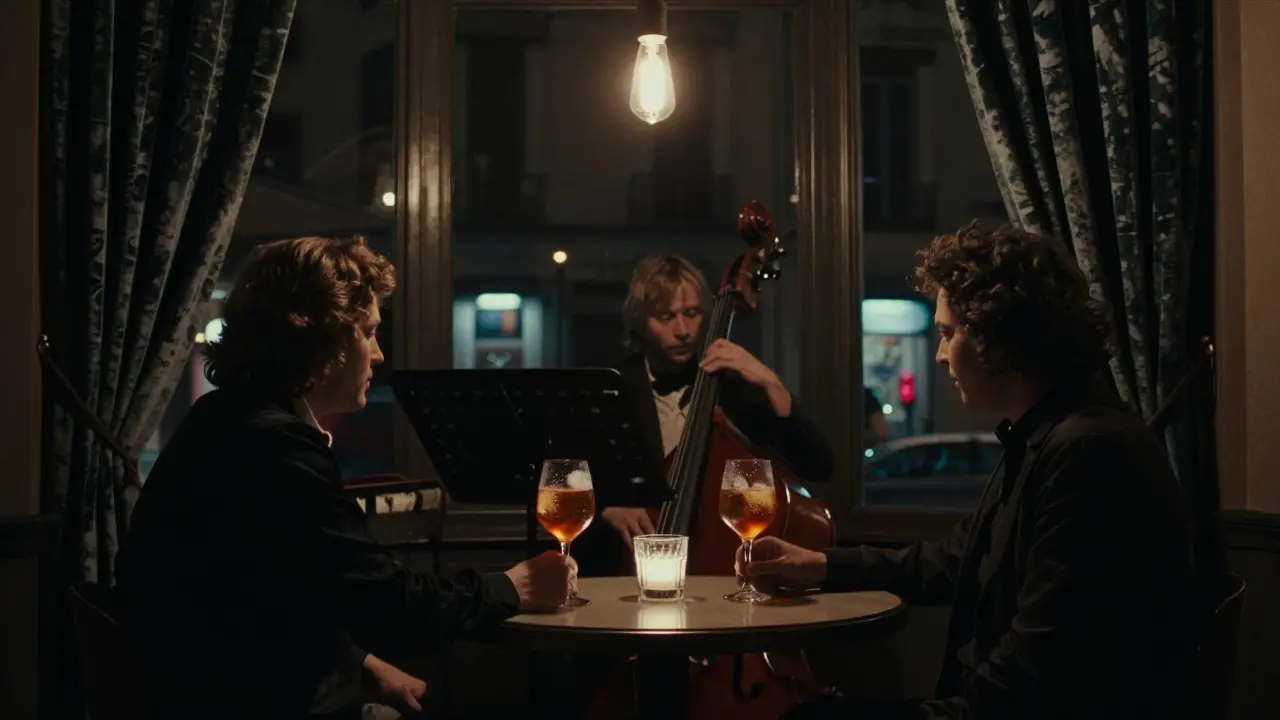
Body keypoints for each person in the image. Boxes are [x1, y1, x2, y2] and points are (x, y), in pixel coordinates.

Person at [738, 223, 1197, 719]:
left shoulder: (1089, 451)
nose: (939, 355)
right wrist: (820, 565)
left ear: (997, 338)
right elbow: (956, 560)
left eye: (947, 333)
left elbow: (1035, 668)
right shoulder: (1046, 433)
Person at [116, 236, 575, 720]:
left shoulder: (223, 417)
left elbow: (260, 599)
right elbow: (388, 606)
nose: (378, 354)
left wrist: (359, 663)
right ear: (321, 338)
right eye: (368, 332)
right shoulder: (276, 450)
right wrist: (514, 586)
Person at [583, 252, 834, 562]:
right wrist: (606, 506)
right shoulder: (612, 389)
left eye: (691, 313)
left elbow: (818, 464)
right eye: (666, 317)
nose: (682, 330)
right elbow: (571, 477)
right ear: (641, 322)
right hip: (632, 563)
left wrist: (772, 383)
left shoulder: (731, 386)